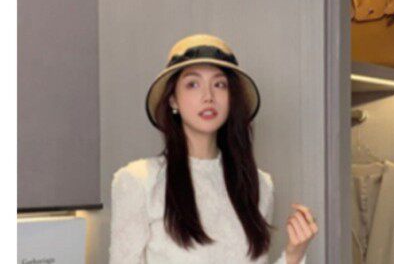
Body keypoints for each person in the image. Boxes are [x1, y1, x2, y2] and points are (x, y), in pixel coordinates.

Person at [109, 34, 318, 263]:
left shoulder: (259, 185)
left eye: (219, 84)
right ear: (173, 100)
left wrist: (294, 255)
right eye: (193, 84)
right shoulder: (138, 182)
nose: (208, 96)